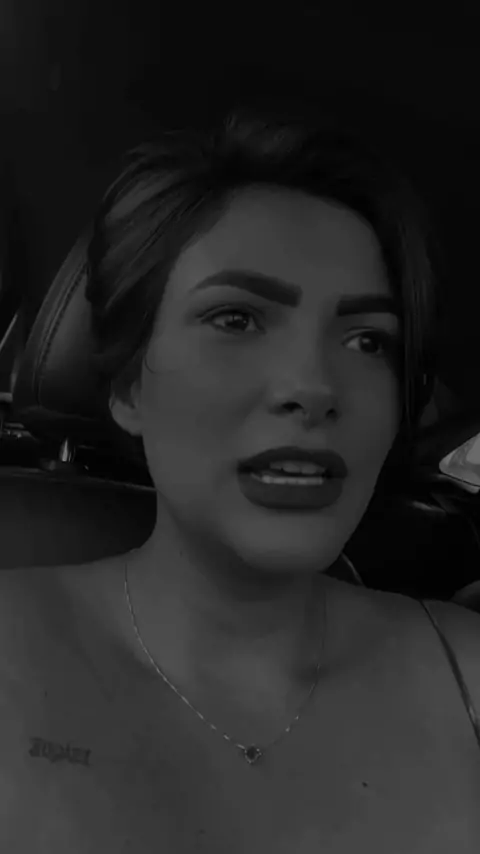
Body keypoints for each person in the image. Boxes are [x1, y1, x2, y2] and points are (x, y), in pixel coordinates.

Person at [2, 101, 480, 852]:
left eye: (367, 340)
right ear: (129, 385)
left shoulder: (469, 674)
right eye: (237, 319)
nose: (314, 386)